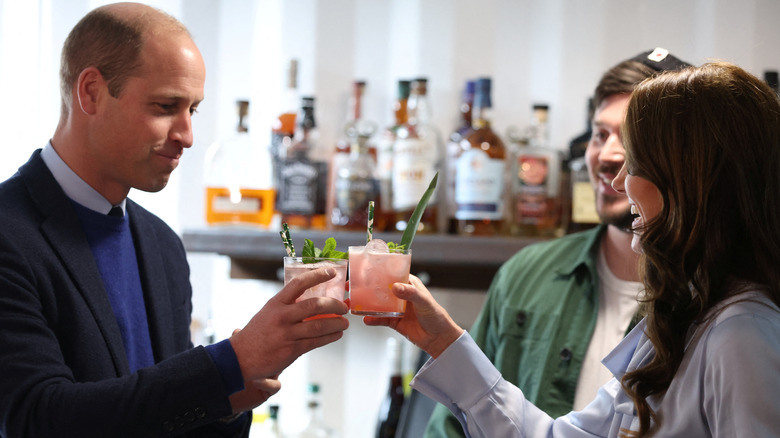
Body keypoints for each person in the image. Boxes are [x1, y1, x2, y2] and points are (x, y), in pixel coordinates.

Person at [366, 61, 780, 437]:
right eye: (601, 136)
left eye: (637, 161)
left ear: (694, 179)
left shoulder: (741, 334)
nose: (619, 180)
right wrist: (444, 342)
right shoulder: (681, 318)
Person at [0, 3, 348, 437]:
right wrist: (228, 365)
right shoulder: (8, 235)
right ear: (90, 92)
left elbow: (162, 418)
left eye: (192, 110)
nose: (186, 134)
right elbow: (35, 420)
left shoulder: (161, 244)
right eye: (166, 106)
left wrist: (228, 401)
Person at [424, 48, 691, 437]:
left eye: (632, 136)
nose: (608, 155)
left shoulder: (709, 299)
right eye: (600, 134)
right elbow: (450, 425)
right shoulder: (525, 274)